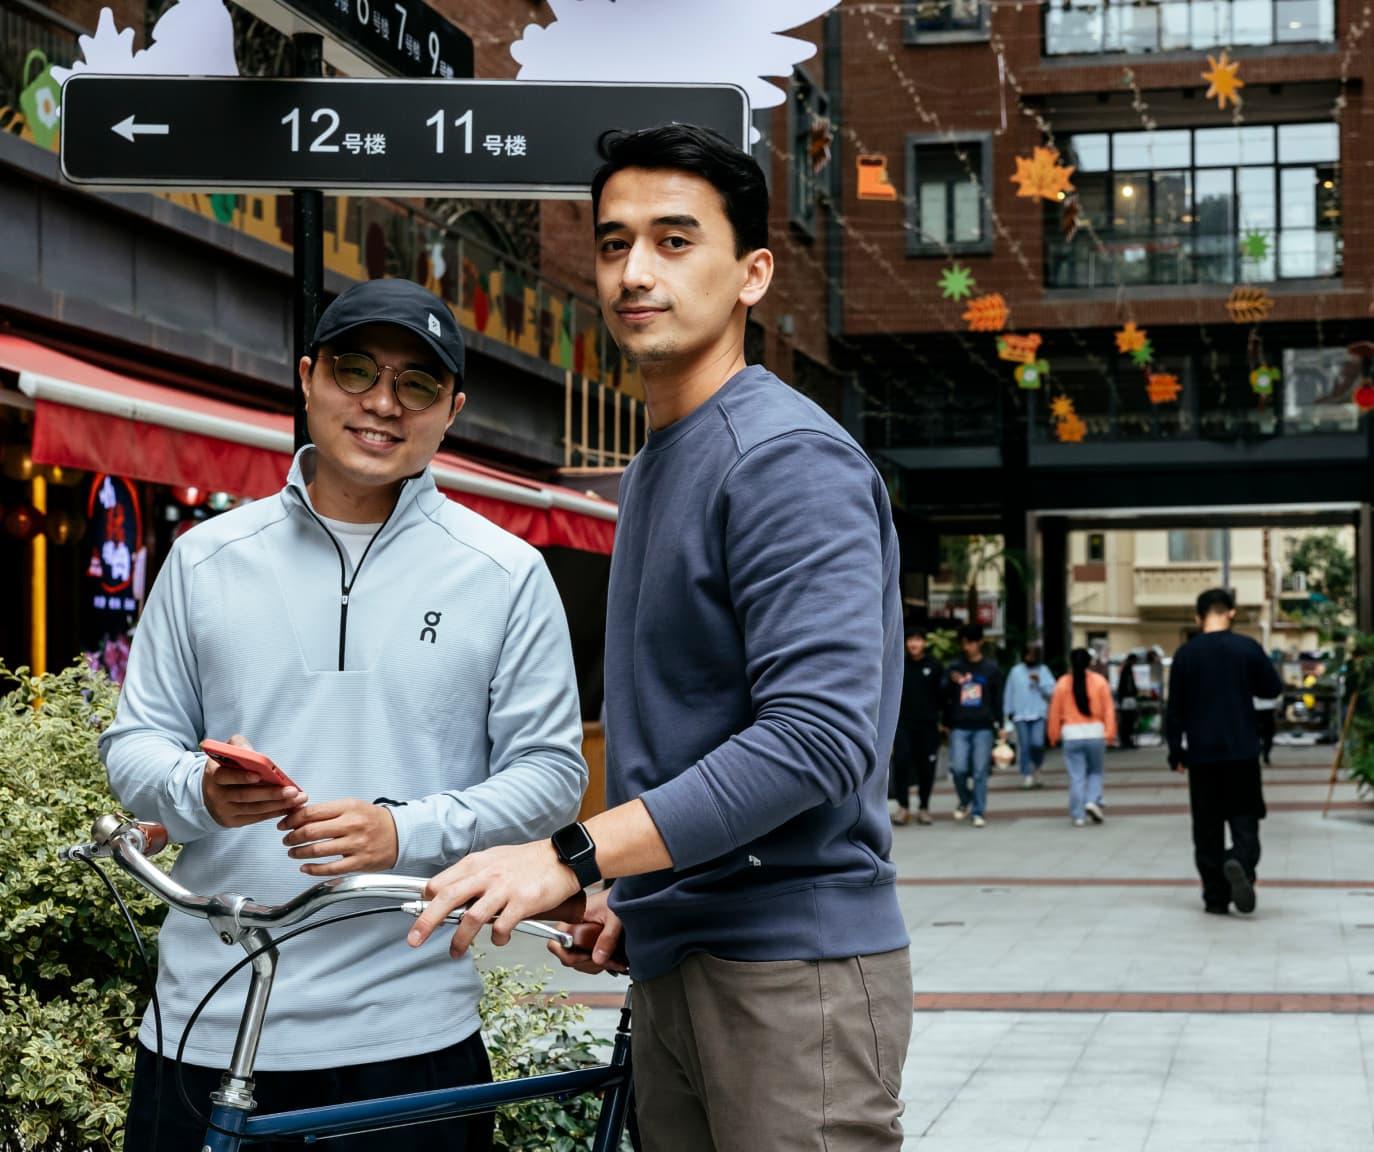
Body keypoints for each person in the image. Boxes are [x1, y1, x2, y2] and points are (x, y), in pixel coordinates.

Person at [407, 124, 912, 1151]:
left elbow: (816, 739)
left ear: (753, 274)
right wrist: (644, 892)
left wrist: (574, 854)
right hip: (683, 953)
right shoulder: (656, 464)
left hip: (790, 975)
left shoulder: (784, 459)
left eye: (675, 241)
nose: (635, 271)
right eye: (614, 243)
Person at [100, 278, 587, 1152]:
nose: (382, 403)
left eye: (417, 384)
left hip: (413, 1033)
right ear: (307, 377)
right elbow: (134, 745)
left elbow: (552, 776)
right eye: (355, 370)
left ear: (452, 411)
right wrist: (200, 791)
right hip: (204, 1020)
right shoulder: (204, 558)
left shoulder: (506, 572)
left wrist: (403, 830)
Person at [1166, 587, 1283, 916]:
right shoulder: (1247, 648)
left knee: (1207, 828)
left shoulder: (1185, 655)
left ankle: (1215, 897)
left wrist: (1176, 751)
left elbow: (1174, 710)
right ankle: (1240, 861)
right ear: (1231, 613)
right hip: (1242, 752)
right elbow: (1272, 688)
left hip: (1202, 756)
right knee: (1246, 821)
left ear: (1197, 617)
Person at [943, 623, 1004, 828]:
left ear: (980, 642)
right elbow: (944, 696)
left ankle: (978, 811)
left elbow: (997, 699)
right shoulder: (955, 668)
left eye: (971, 643)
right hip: (959, 725)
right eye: (964, 643)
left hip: (983, 726)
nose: (967, 647)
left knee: (980, 771)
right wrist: (951, 682)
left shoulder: (991, 669)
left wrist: (1001, 725)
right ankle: (965, 799)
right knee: (958, 769)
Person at [1048, 649, 1117, 826]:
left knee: (1077, 776)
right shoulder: (1100, 682)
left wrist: (1053, 734)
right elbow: (1109, 709)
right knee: (1095, 772)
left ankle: (1078, 815)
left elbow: (1054, 711)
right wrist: (1110, 732)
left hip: (1071, 734)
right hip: (1095, 733)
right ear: (1089, 663)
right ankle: (1092, 800)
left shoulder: (1062, 683)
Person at [892, 622, 944, 825]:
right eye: (910, 640)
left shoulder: (935, 666)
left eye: (918, 640)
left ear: (924, 643)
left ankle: (924, 807)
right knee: (901, 763)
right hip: (903, 724)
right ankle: (903, 807)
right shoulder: (899, 664)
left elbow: (943, 697)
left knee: (926, 768)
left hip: (928, 726)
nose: (914, 644)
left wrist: (943, 722)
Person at [1002, 643, 1054, 789]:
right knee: (1024, 745)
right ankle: (1027, 774)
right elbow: (1009, 692)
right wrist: (1007, 714)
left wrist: (1040, 682)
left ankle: (1037, 767)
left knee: (1037, 743)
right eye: (1027, 655)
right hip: (1020, 714)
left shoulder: (1043, 670)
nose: (1030, 658)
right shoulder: (1015, 671)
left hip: (1039, 713)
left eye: (1033, 655)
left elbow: (1052, 692)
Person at [1117, 653, 1140, 750]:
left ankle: (1126, 740)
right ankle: (1126, 740)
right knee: (1128, 720)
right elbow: (1127, 686)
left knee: (1127, 720)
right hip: (1127, 698)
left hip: (1126, 697)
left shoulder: (1126, 669)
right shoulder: (1127, 670)